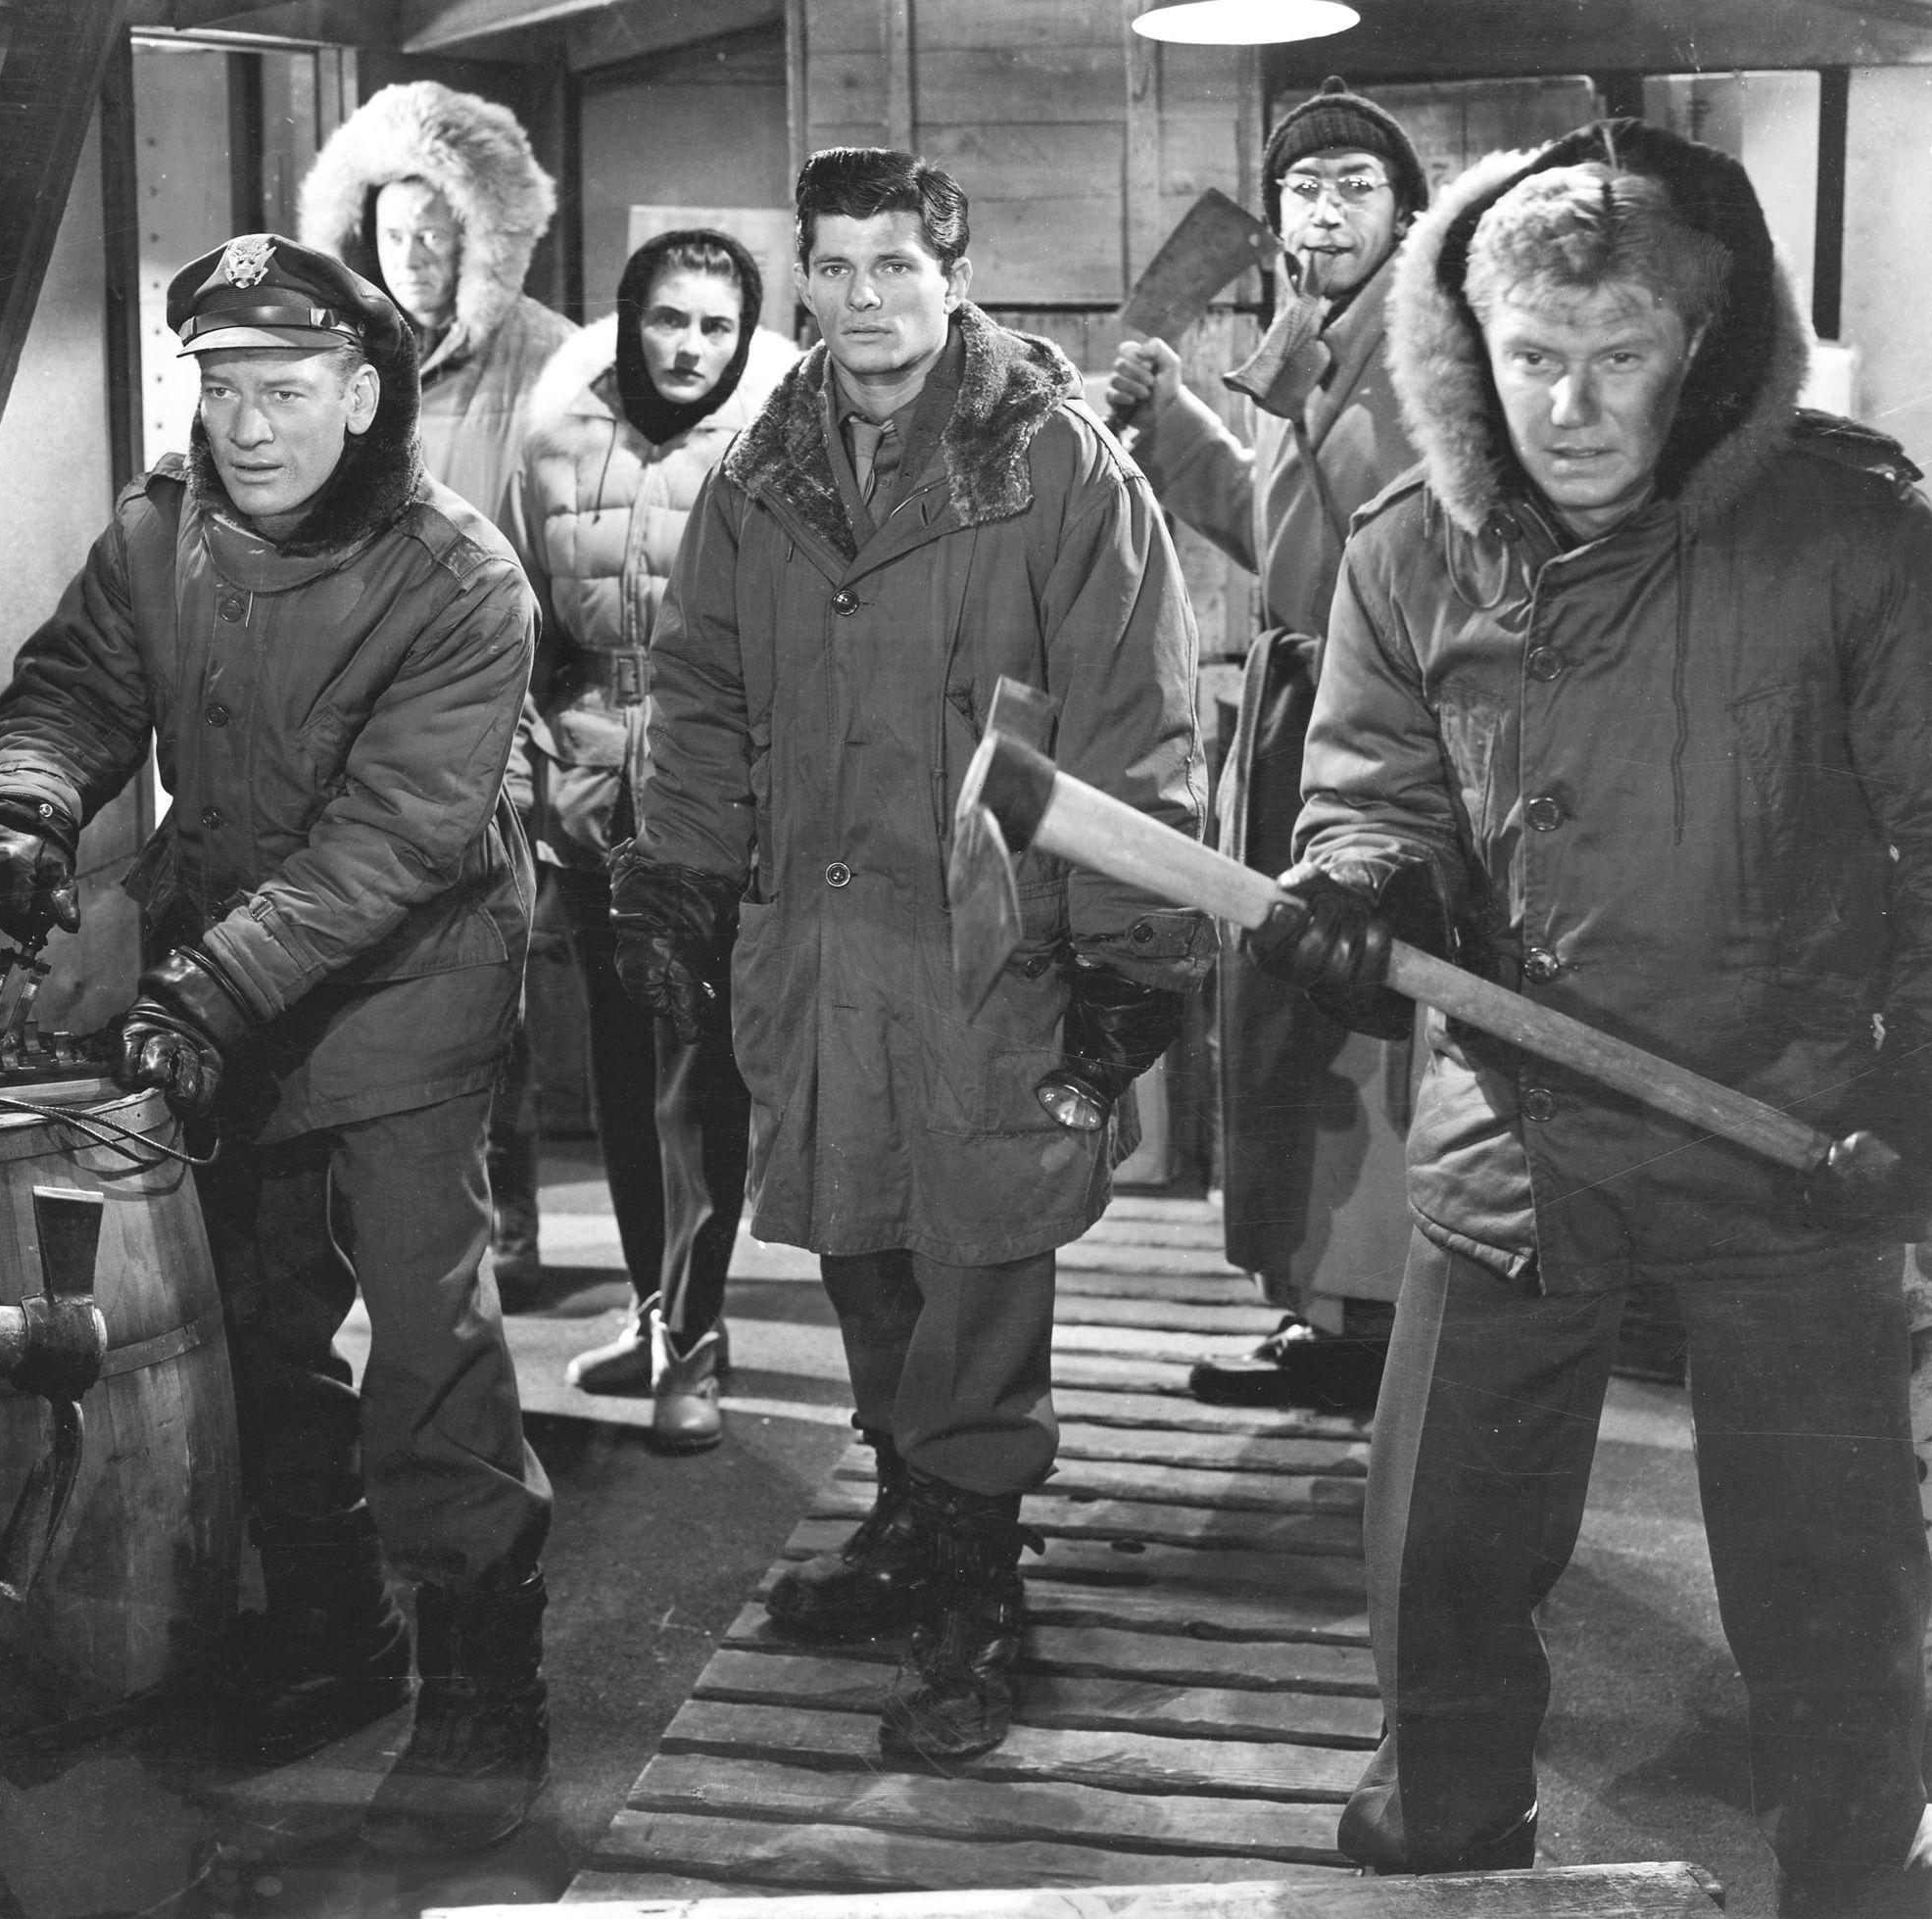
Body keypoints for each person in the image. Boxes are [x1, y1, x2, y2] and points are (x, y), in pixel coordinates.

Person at [1262, 121, 1932, 1909]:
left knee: (1827, 1565)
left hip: (1789, 1116)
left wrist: (1918, 1097)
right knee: (1440, 1547)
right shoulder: (1407, 551)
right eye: (1529, 356)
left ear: (1697, 349)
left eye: (1615, 356)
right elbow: (1371, 788)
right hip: (1518, 1107)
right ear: (1465, 350)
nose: (1566, 408)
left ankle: (1854, 1867)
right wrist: (1360, 884)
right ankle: (1442, 1844)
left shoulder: (1851, 538)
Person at [0, 233, 550, 1853]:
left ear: (362, 392)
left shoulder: (460, 579)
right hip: (225, 980)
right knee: (261, 1331)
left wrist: (203, 986)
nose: (246, 424)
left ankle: (487, 1690)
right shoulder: (163, 531)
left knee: (424, 1341)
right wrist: (20, 800)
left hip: (400, 996)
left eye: (283, 389)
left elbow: (393, 839)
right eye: (219, 388)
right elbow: (77, 685)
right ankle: (335, 1632)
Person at [624, 148, 1208, 1760]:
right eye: (833, 265)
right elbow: (698, 691)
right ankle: (906, 1510)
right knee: (860, 1238)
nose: (862, 297)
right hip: (815, 939)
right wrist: (678, 877)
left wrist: (1131, 958)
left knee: (980, 1269)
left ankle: (974, 1592)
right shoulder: (761, 475)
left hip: (990, 949)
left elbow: (1137, 722)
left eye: (894, 264)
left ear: (953, 277)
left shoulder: (1058, 468)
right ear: (802, 280)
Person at [1109, 79, 1429, 1414]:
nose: (1325, 210)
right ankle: (1330, 1308)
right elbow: (1276, 530)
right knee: (1293, 1009)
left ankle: (1374, 1323)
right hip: (1299, 703)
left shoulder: (1423, 351)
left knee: (1355, 1005)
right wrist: (1177, 414)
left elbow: (1396, 555)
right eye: (1303, 187)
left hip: (1381, 724)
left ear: (1405, 211)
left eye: (1357, 185)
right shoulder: (1310, 334)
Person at [498, 227, 791, 1452]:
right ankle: (654, 1310)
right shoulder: (555, 440)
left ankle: (700, 1338)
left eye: (717, 326)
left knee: (700, 1083)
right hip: (587, 800)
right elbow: (514, 624)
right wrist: (533, 768)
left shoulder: (776, 453)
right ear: (630, 319)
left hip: (713, 798)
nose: (689, 347)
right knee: (621, 1079)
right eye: (669, 318)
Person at [301, 81, 579, 1292]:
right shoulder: (335, 359)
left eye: (438, 233)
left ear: (482, 240)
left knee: (483, 980)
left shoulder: (553, 360)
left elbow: (586, 547)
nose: (415, 256)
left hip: (499, 712)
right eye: (395, 233)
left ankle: (503, 1220)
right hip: (349, 713)